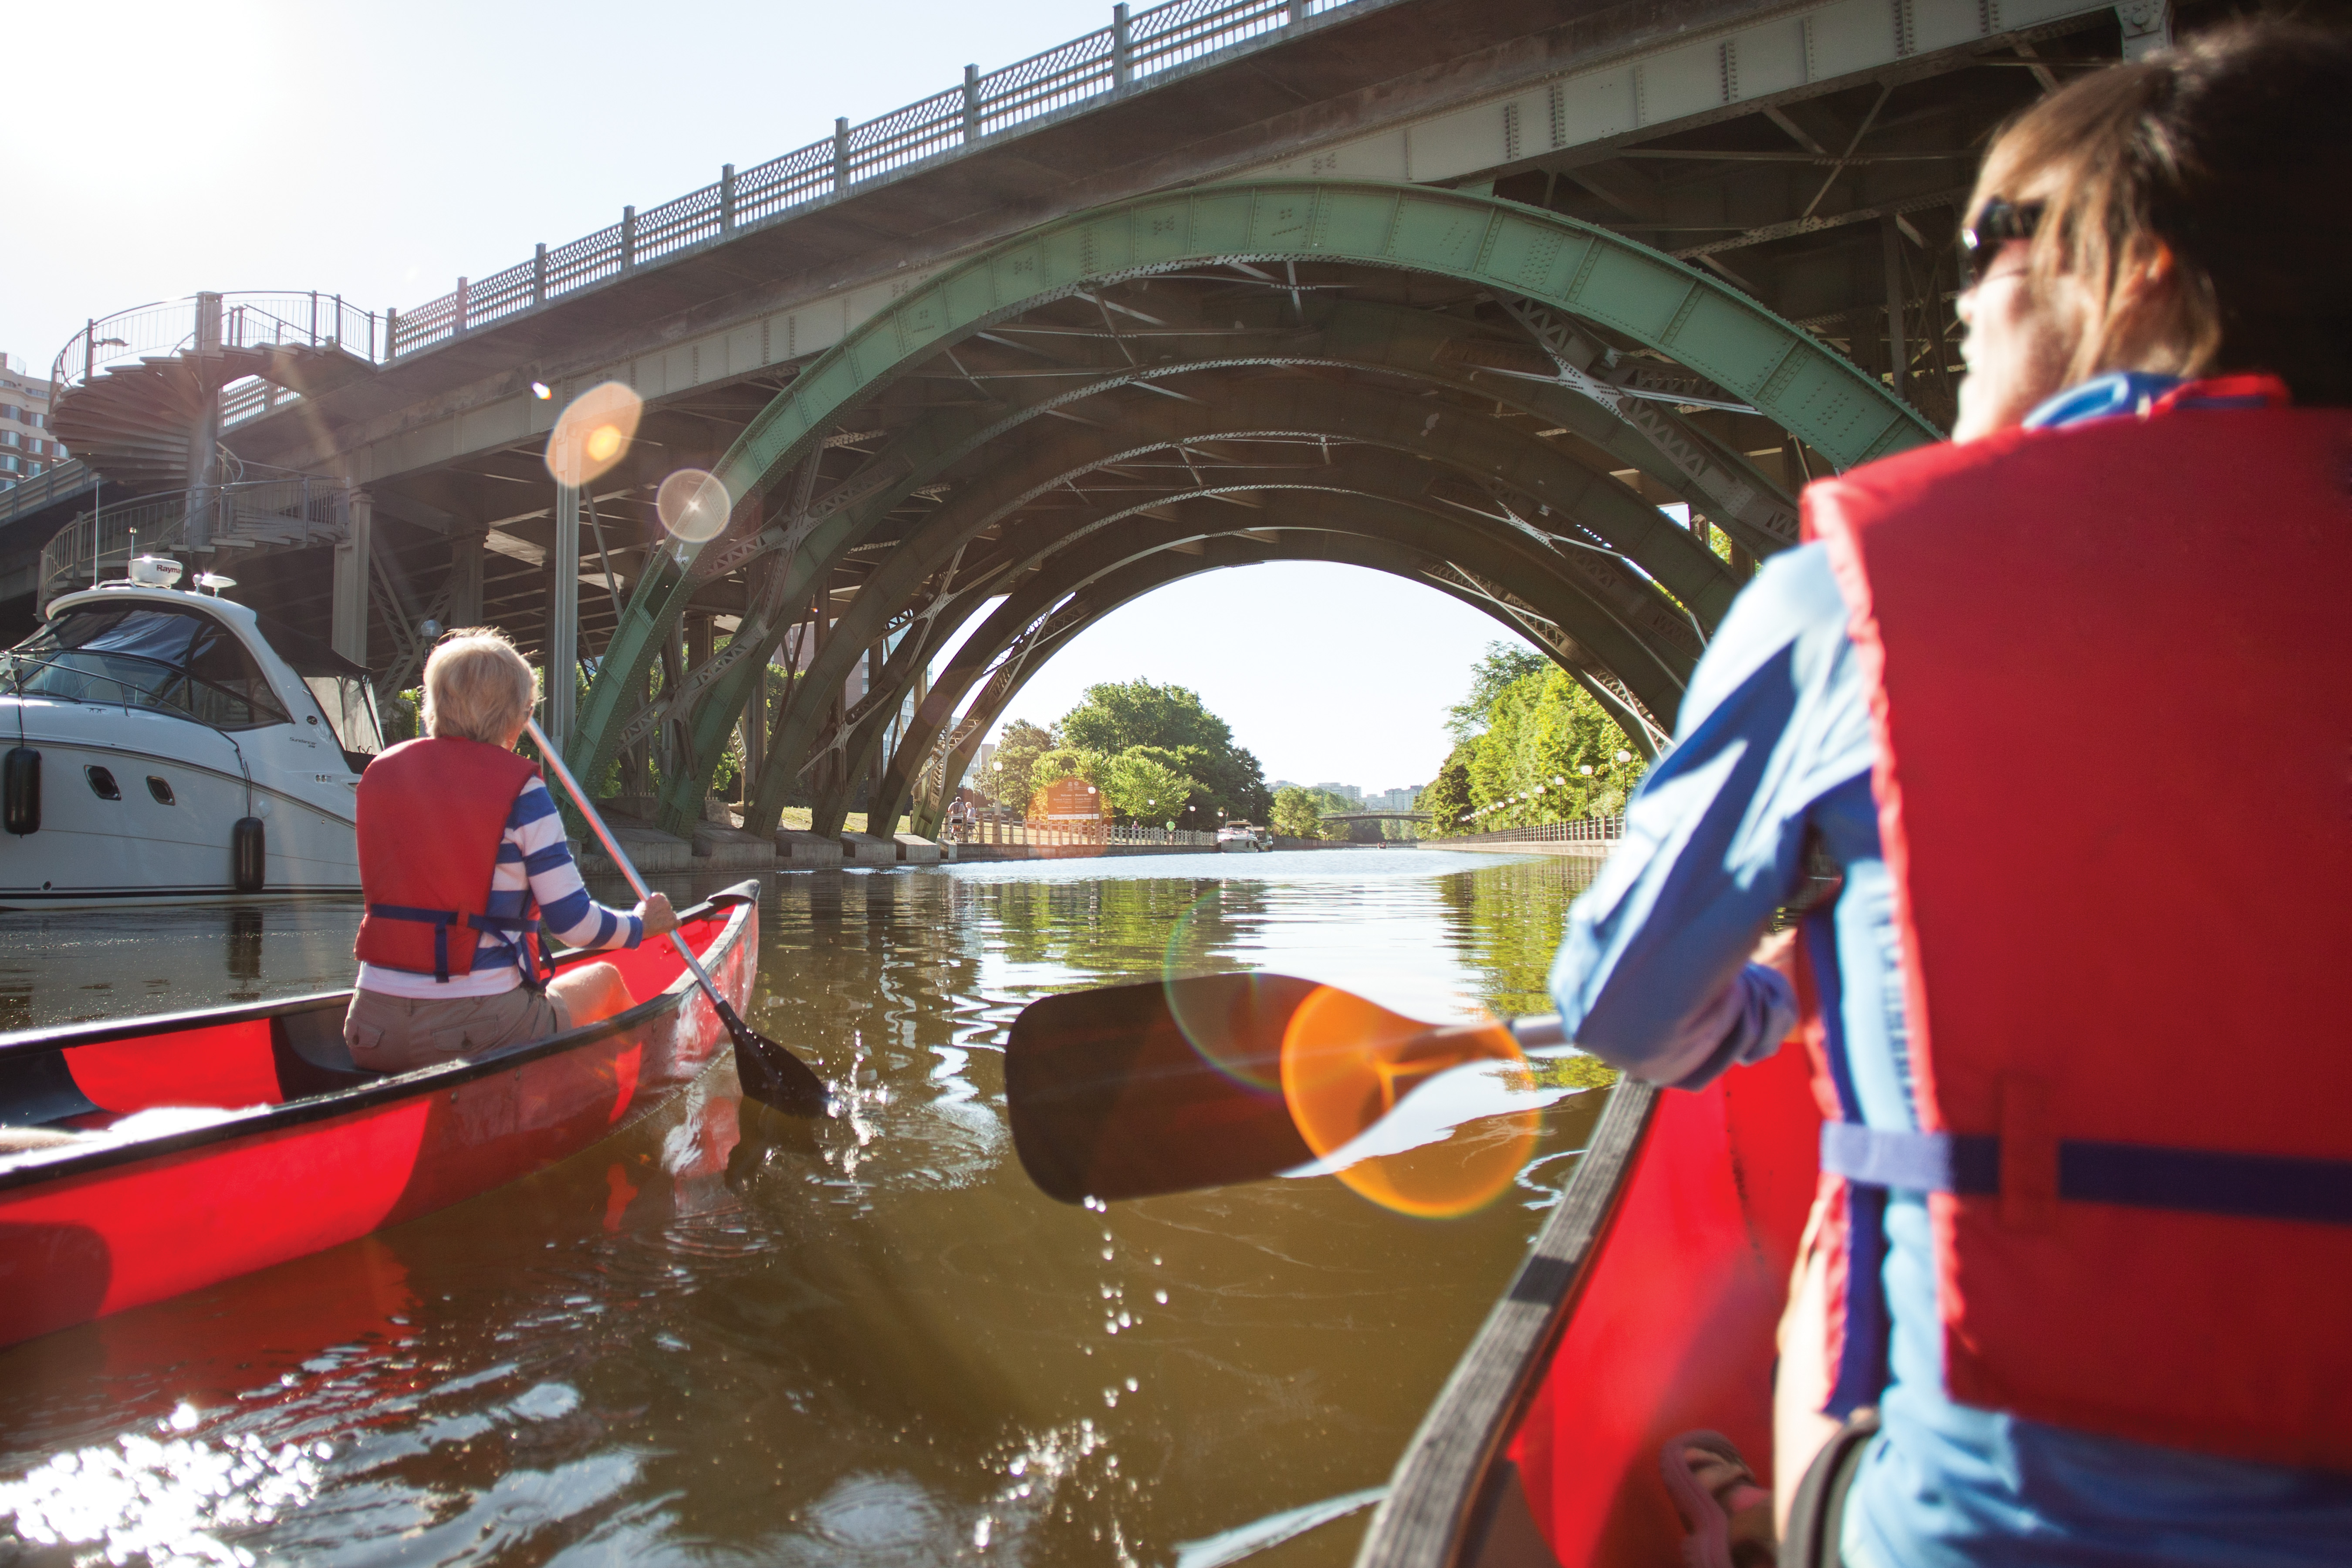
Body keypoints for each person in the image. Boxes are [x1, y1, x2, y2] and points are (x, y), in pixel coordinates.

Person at [1547, 20, 2352, 1567]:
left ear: (2133, 271)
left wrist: (1768, 1010)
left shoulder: (1848, 593)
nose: (1963, 293)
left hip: (1994, 1530)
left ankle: (1763, 1523)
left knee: (1835, 1230)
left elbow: (1616, 1008)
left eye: (1991, 237)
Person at [345, 629, 675, 1073]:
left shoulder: (380, 776)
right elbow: (573, 925)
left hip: (370, 1027)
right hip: (475, 1029)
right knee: (608, 980)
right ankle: (649, 1088)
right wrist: (638, 926)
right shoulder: (522, 792)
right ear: (515, 720)